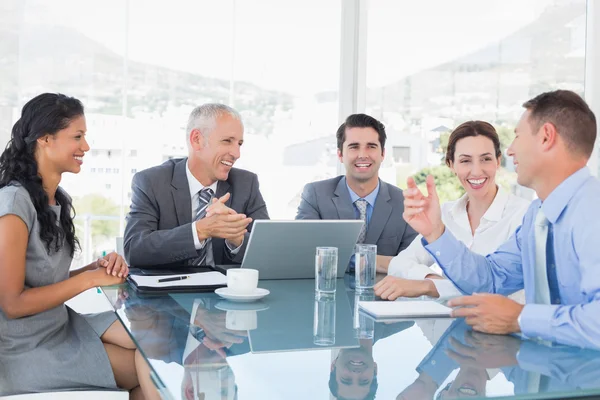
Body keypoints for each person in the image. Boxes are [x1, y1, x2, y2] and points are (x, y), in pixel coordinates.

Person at [401, 90, 600, 349]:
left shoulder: (592, 210)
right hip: (545, 373)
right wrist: (436, 232)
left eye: (518, 136)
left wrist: (520, 318)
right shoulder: (537, 216)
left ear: (546, 137)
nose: (510, 150)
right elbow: (491, 279)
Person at [0, 93, 147, 398]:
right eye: (77, 137)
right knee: (151, 366)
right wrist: (89, 280)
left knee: (151, 339)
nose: (86, 147)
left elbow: (42, 281)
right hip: (25, 347)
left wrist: (92, 268)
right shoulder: (14, 204)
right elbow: (13, 304)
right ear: (45, 139)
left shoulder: (55, 198)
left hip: (58, 325)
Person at [375, 121, 529, 301]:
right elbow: (400, 263)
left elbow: (492, 287)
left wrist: (429, 287)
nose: (476, 171)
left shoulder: (523, 216)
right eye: (465, 161)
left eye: (486, 159)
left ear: (498, 161)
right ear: (451, 165)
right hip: (450, 324)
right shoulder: (446, 214)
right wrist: (431, 278)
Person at [124, 104, 269, 268]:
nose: (236, 153)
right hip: (169, 289)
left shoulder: (246, 183)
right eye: (227, 141)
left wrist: (236, 237)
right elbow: (135, 250)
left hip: (225, 291)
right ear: (197, 140)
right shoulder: (151, 181)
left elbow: (269, 252)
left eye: (239, 143)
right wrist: (200, 230)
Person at [296, 114, 418, 272]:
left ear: (383, 154)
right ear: (340, 155)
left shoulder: (404, 202)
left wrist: (337, 257)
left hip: (384, 295)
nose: (363, 155)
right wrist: (376, 261)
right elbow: (304, 252)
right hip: (328, 293)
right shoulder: (316, 195)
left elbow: (412, 264)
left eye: (371, 146)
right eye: (354, 147)